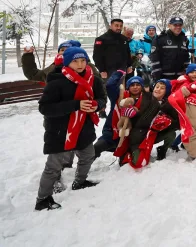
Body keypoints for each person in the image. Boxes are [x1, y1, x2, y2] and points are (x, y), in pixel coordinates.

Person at [35, 47, 105, 210]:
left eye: (83, 60)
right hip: (61, 131)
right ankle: (43, 199)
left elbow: (102, 98)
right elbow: (45, 108)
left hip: (84, 127)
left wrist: (96, 105)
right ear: (67, 63)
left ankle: (80, 182)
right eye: (75, 61)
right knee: (54, 166)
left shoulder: (93, 79)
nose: (80, 64)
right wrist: (75, 105)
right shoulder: (56, 81)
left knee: (88, 155)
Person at [120, 78, 179, 167]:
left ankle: (162, 150)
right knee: (138, 163)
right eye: (157, 87)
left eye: (162, 88)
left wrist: (167, 121)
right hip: (138, 136)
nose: (158, 89)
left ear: (166, 91)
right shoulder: (145, 98)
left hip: (153, 135)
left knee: (171, 134)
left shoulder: (168, 104)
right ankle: (128, 153)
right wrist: (133, 112)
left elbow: (176, 123)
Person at [150, 17, 190, 81]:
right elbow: (154, 59)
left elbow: (186, 58)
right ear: (169, 25)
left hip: (180, 78)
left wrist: (187, 72)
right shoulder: (160, 39)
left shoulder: (185, 40)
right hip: (164, 77)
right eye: (175, 25)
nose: (178, 27)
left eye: (180, 25)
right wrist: (158, 76)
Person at [93, 18, 131, 83]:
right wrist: (102, 70)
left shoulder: (124, 39)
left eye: (121, 26)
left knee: (120, 88)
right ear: (111, 26)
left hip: (121, 71)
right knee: (108, 88)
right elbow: (97, 56)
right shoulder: (101, 39)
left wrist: (129, 65)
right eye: (116, 25)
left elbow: (127, 53)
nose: (119, 28)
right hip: (107, 72)